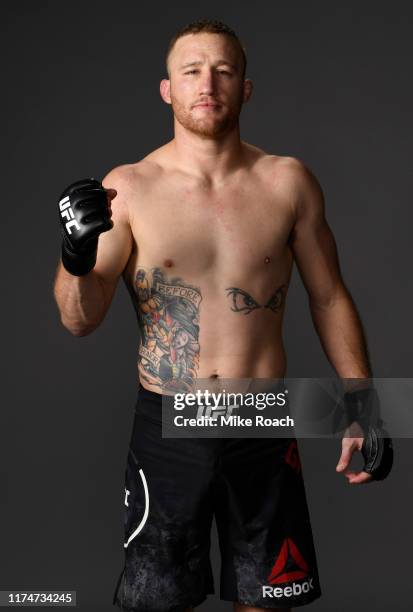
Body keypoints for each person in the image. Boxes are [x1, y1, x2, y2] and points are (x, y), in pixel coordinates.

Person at [54, 19, 392, 612]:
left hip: (260, 417)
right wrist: (76, 257)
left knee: (267, 602)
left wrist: (363, 403)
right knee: (158, 603)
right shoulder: (127, 188)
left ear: (246, 88)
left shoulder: (288, 182)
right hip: (168, 422)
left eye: (223, 71)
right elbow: (80, 320)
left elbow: (330, 295)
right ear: (167, 90)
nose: (207, 83)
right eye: (191, 71)